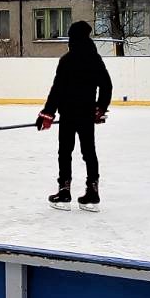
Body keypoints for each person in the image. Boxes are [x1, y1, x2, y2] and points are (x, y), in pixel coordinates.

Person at [37, 20, 112, 211]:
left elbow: (57, 90)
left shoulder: (67, 60)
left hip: (68, 115)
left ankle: (64, 191)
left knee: (65, 152)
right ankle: (93, 192)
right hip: (86, 115)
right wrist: (100, 108)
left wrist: (47, 113)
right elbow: (106, 86)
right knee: (89, 153)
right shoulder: (95, 59)